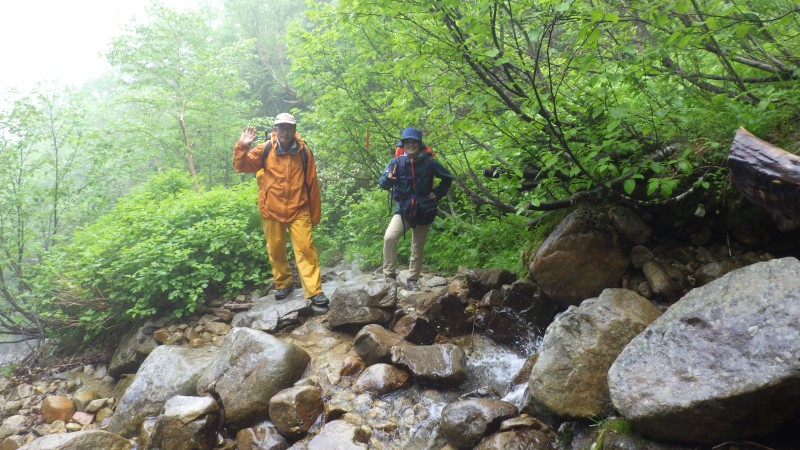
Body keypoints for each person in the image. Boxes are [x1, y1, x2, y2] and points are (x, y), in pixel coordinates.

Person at [233, 113, 329, 308]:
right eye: (281, 128)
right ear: (275, 130)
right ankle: (284, 284)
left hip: (299, 207)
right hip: (271, 208)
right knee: (275, 249)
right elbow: (241, 166)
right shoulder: (265, 149)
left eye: (289, 128)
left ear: (294, 130)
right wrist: (243, 145)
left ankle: (314, 291)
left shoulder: (304, 152)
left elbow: (312, 184)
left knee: (305, 248)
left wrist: (314, 214)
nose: (285, 132)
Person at [379, 127, 453, 291]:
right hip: (403, 208)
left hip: (424, 208)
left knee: (417, 246)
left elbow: (448, 178)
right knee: (389, 238)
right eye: (407, 142)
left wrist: (437, 193)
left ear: (419, 145)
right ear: (403, 145)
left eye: (414, 142)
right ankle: (389, 276)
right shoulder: (396, 162)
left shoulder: (430, 162)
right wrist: (389, 178)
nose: (411, 145)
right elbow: (382, 183)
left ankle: (412, 279)